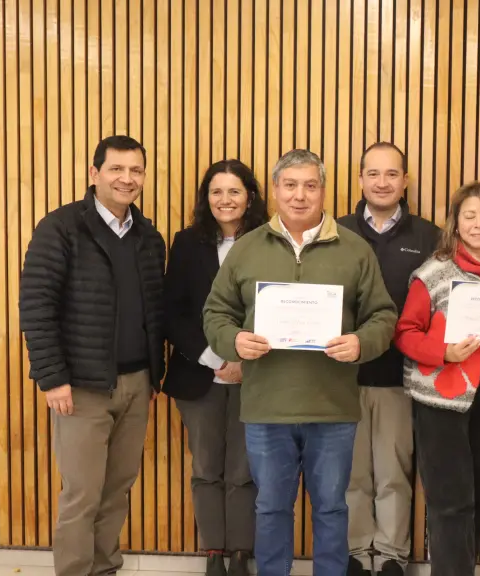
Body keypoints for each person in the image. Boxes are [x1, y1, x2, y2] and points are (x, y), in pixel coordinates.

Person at [202, 149, 398, 576]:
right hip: (266, 408)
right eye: (290, 185)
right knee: (271, 508)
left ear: (324, 191)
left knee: (331, 508)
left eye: (310, 185)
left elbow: (383, 316)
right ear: (275, 191)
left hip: (332, 408)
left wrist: (361, 342)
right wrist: (233, 339)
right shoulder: (247, 248)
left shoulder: (355, 249)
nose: (299, 195)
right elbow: (215, 312)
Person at [19, 135, 166, 576]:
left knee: (117, 490)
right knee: (82, 494)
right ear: (94, 174)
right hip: (80, 386)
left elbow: (153, 312)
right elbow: (36, 303)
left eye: (136, 170)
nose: (127, 179)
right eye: (117, 169)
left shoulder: (148, 236)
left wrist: (154, 377)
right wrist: (51, 377)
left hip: (137, 384)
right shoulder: (61, 227)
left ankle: (104, 569)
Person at [393, 181, 480, 576]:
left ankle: (454, 566)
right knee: (451, 500)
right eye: (470, 215)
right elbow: (405, 332)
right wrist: (443, 352)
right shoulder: (433, 273)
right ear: (456, 223)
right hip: (440, 398)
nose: (479, 224)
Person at [337, 142, 441, 576]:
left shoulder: (428, 236)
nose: (382, 182)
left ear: (405, 181)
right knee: (353, 473)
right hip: (341, 375)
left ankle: (392, 555)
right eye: (373, 174)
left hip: (402, 375)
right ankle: (358, 553)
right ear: (360, 179)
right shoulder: (334, 230)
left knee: (395, 471)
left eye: (392, 174)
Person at [163, 160, 269, 576]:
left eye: (235, 192)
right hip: (199, 375)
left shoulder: (269, 241)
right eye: (216, 192)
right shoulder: (187, 243)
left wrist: (243, 360)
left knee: (245, 469)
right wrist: (214, 358)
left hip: (256, 374)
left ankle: (241, 553)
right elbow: (172, 312)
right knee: (206, 466)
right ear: (206, 199)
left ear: (250, 197)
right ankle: (213, 554)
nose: (225, 200)